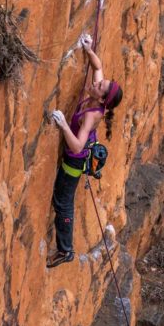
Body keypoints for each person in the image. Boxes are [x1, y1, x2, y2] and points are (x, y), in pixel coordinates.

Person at [47, 38, 123, 268]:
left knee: (63, 203)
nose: (96, 83)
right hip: (76, 156)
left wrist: (63, 125)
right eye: (101, 83)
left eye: (100, 86)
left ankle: (65, 250)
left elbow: (77, 147)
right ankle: (65, 248)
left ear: (102, 99)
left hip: (74, 162)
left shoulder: (93, 114)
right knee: (62, 201)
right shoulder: (97, 94)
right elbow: (98, 67)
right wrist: (89, 49)